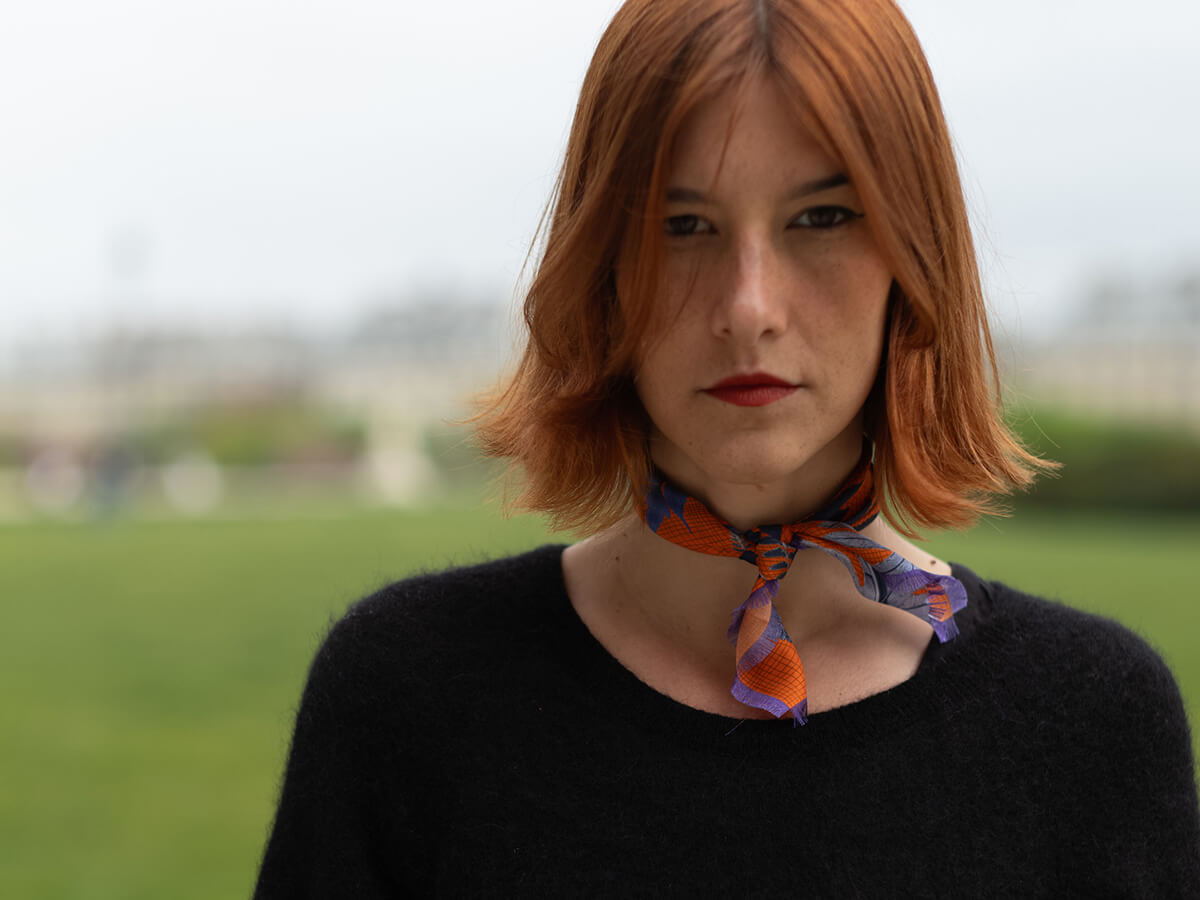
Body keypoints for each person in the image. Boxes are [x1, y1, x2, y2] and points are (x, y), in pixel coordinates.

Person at [254, 0, 1200, 895]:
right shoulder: (408, 697)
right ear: (601, 273)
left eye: (823, 217)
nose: (749, 307)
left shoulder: (1093, 723)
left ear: (914, 262)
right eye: (682, 227)